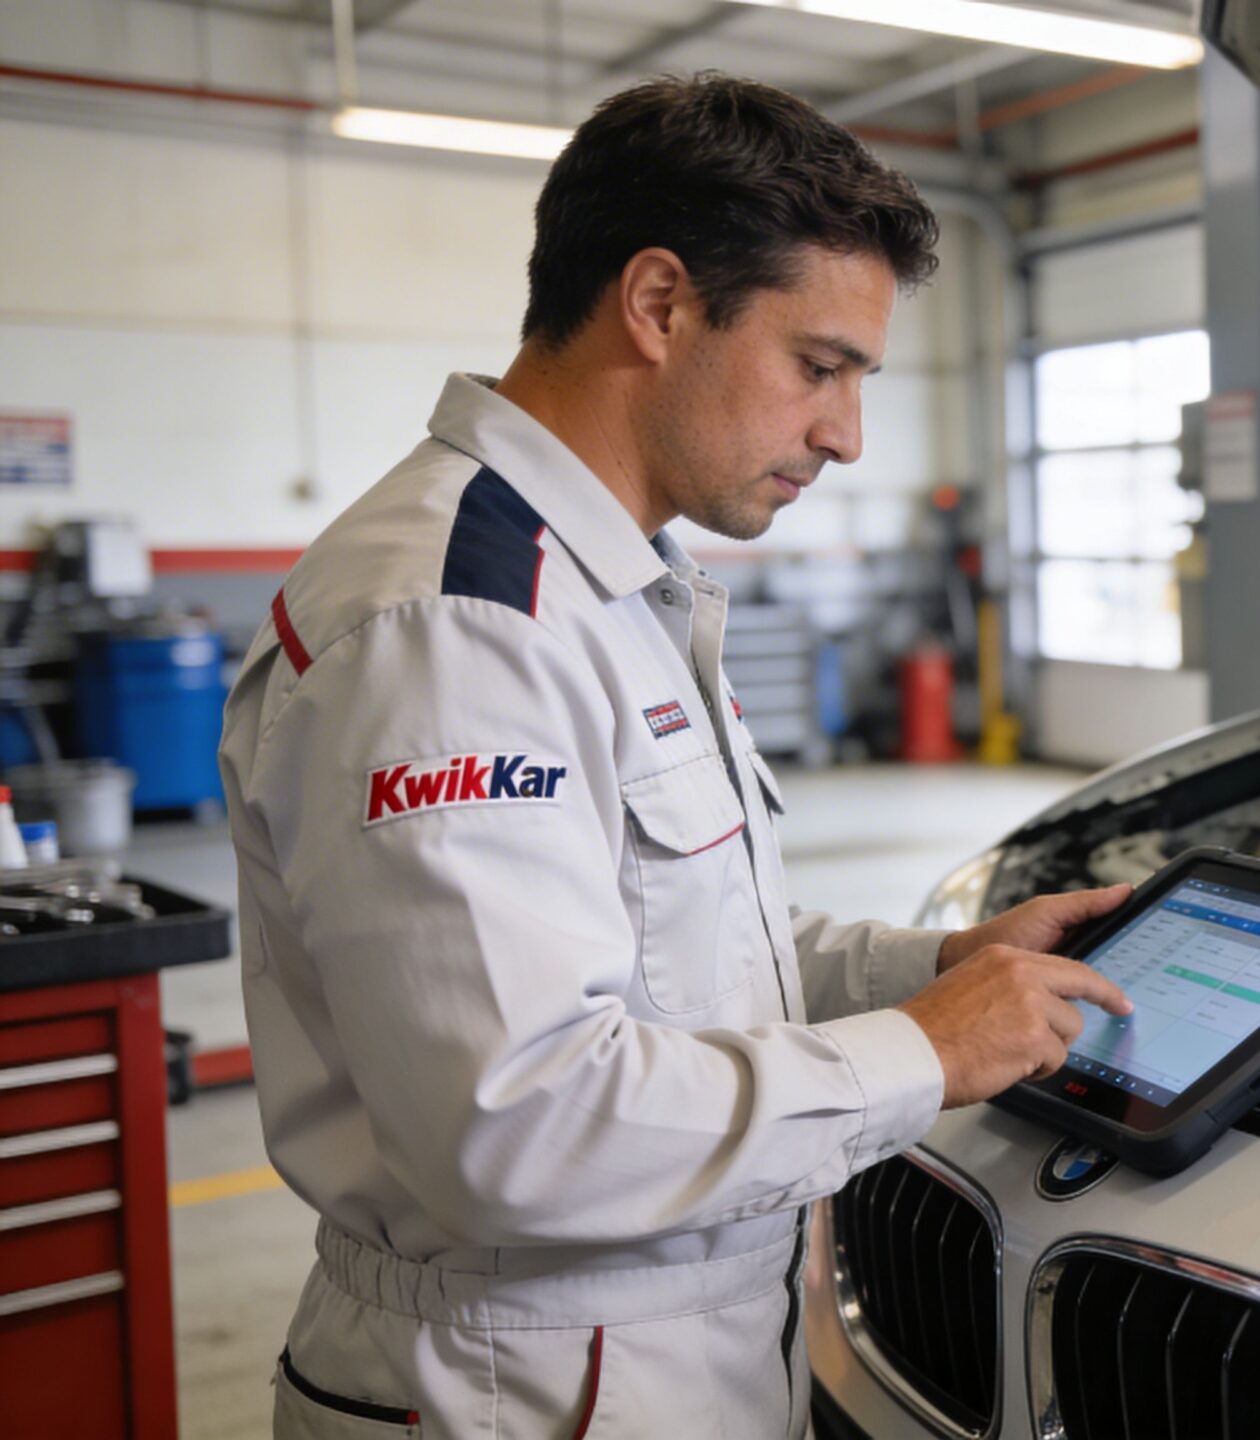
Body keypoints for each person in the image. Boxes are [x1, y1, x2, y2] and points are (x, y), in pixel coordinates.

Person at [219, 72, 1132, 1438]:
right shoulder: (461, 626)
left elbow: (661, 953)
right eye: (819, 366)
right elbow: (517, 1129)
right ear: (657, 305)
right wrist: (920, 1055)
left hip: (657, 1348)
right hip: (520, 1385)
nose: (845, 433)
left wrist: (927, 971)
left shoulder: (605, 587)